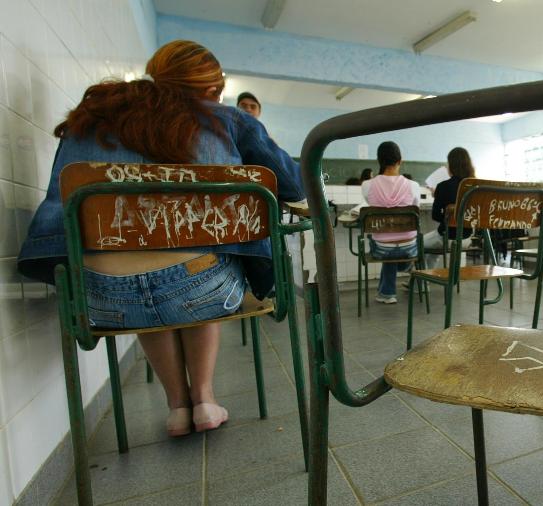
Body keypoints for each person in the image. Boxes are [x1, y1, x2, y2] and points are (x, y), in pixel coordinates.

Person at [17, 40, 305, 437]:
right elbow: (291, 185)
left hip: (103, 297)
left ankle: (177, 406)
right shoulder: (229, 119)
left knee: (143, 268)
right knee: (201, 260)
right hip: (204, 286)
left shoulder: (92, 116)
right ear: (210, 89)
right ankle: (204, 399)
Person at [361, 141, 420, 304]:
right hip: (410, 249)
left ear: (379, 161)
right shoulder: (413, 185)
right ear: (400, 161)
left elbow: (370, 203)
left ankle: (387, 294)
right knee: (400, 243)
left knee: (387, 242)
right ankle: (404, 270)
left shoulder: (367, 185)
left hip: (381, 249)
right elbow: (416, 210)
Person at [422, 147, 475, 268]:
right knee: (433, 253)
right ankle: (426, 278)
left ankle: (423, 281)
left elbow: (435, 215)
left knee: (419, 244)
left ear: (451, 165)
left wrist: (448, 219)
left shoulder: (443, 186)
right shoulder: (476, 186)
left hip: (447, 237)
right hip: (467, 238)